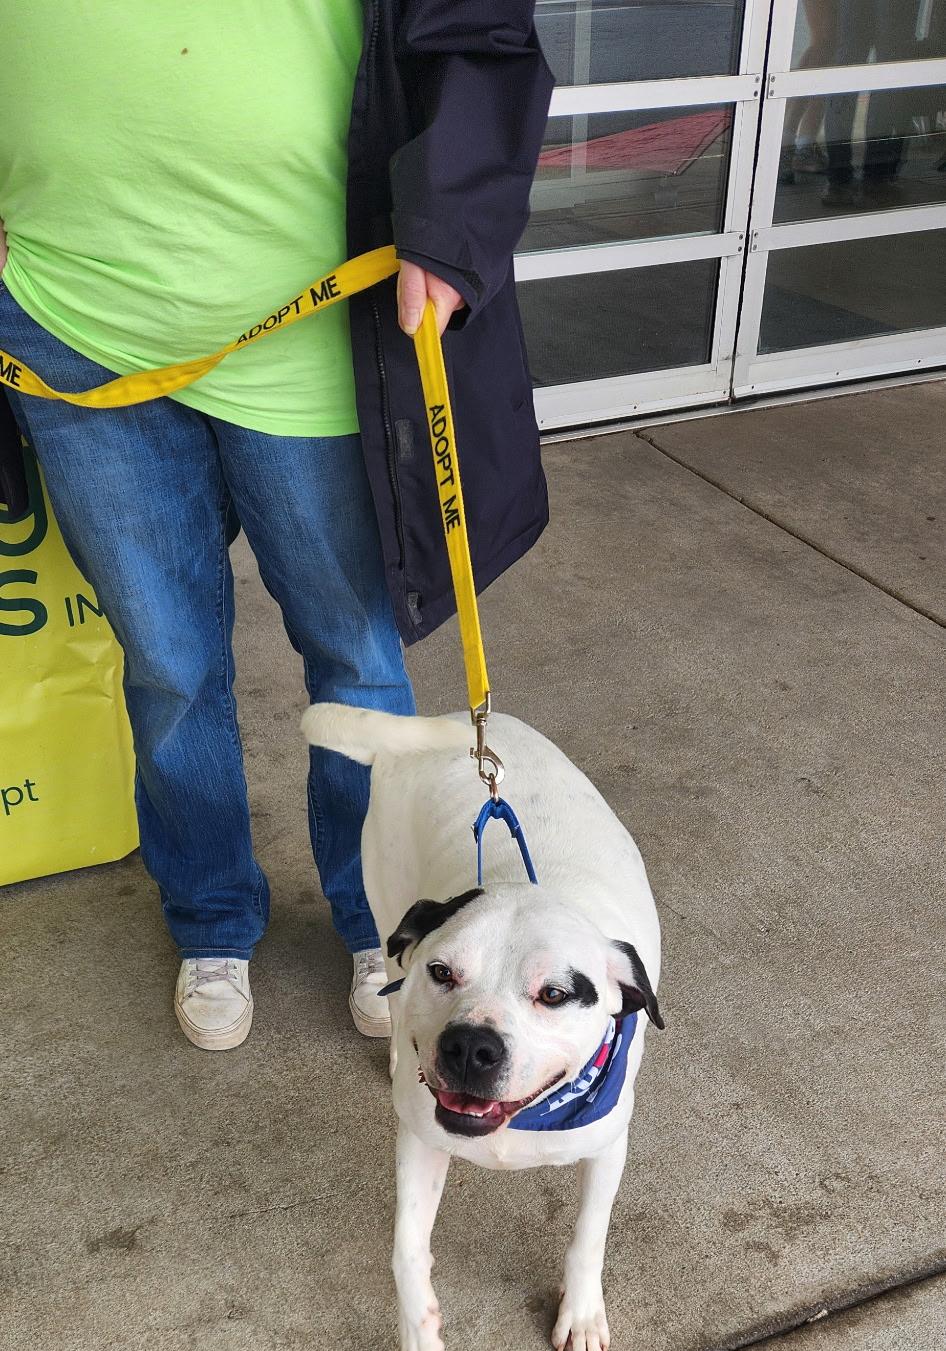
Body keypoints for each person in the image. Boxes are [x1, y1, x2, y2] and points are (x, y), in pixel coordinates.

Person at [0, 3, 553, 1051]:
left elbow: (476, 30)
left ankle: (380, 921)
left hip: (307, 312)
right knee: (166, 660)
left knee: (355, 655)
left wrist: (448, 223)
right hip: (67, 313)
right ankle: (211, 914)